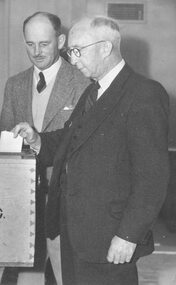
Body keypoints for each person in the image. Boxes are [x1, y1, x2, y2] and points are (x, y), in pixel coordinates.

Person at [12, 15, 170, 285]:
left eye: (77, 51)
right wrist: (38, 140)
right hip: (76, 234)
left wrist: (128, 236)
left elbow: (152, 178)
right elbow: (72, 140)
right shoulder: (93, 91)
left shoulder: (144, 94)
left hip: (110, 240)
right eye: (70, 52)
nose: (72, 59)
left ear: (105, 48)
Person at [0, 11, 90, 285]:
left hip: (64, 198)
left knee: (62, 273)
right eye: (30, 44)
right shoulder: (14, 84)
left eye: (44, 44)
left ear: (60, 41)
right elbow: (5, 144)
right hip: (21, 196)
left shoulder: (83, 83)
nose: (36, 52)